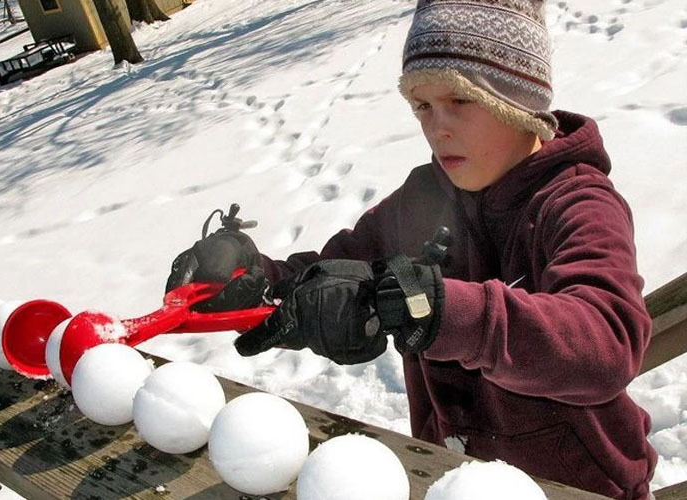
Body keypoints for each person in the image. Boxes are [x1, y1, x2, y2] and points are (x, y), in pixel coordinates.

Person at [165, 1, 656, 498]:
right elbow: (334, 268)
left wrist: (443, 311)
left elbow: (607, 342)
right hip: (446, 475)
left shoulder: (577, 202)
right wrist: (257, 280)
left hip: (578, 488)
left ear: (518, 100)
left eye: (460, 101)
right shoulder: (422, 199)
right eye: (422, 105)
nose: (436, 127)